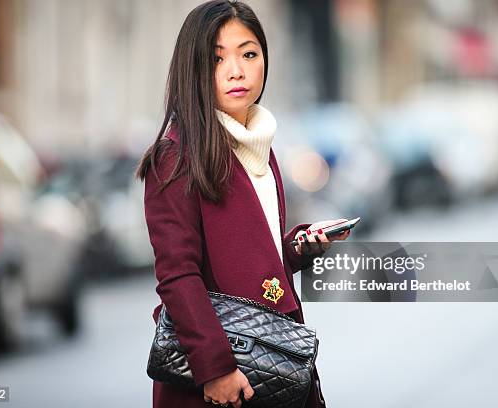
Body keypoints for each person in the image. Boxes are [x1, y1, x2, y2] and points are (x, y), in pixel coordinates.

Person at [135, 1, 351, 407]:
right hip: (221, 375)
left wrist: (296, 248)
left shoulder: (258, 146)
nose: (237, 70)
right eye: (217, 59)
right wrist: (214, 369)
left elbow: (244, 257)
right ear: (193, 70)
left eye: (249, 54)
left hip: (272, 358)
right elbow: (178, 275)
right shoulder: (175, 156)